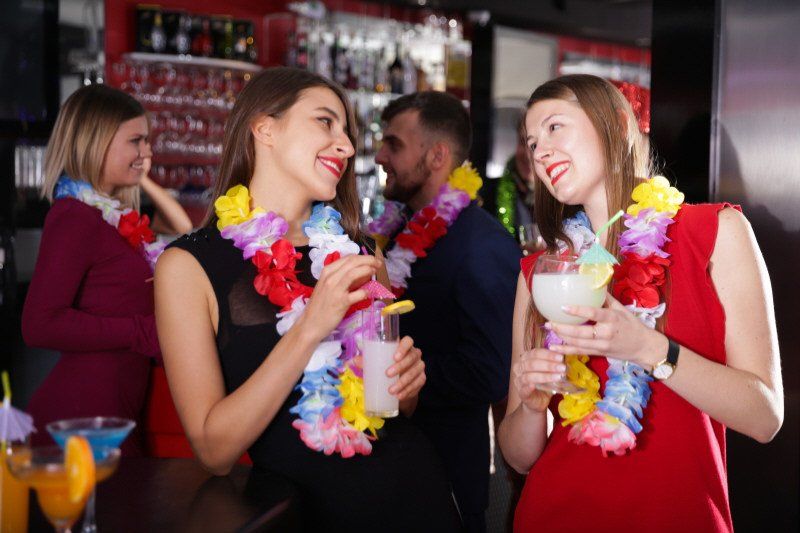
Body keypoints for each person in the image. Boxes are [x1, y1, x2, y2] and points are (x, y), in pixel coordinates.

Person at [153, 67, 460, 530]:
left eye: (348, 131)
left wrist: (405, 386)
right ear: (264, 128)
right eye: (325, 122)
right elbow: (214, 451)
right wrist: (311, 328)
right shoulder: (187, 267)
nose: (348, 147)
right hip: (307, 517)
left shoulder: (361, 253)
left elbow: (392, 409)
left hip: (417, 502)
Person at [498, 74, 783, 532]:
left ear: (616, 121)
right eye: (531, 142)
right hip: (554, 515)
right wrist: (531, 408)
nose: (541, 151)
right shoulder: (541, 273)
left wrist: (650, 349)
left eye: (554, 128)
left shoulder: (715, 233)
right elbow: (519, 456)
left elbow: (765, 416)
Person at [372, 91, 521, 532]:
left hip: (445, 476)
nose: (381, 156)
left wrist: (399, 377)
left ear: (437, 155)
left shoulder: (482, 244)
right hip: (388, 470)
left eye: (394, 144)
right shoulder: (397, 229)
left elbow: (490, 371)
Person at [22, 83, 192, 456]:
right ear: (96, 141)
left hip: (118, 410)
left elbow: (182, 231)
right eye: (136, 141)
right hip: (84, 419)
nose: (147, 152)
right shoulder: (74, 217)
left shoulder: (112, 219)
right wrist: (140, 332)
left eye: (147, 141)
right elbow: (39, 324)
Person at [479, 117, 536, 240]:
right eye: (522, 142)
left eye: (534, 145)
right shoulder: (487, 194)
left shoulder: (566, 201)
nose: (527, 154)